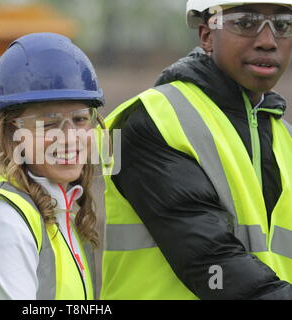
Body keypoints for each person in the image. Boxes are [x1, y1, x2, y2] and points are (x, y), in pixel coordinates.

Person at [101, 0, 292, 300]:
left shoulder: (285, 139)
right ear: (206, 35)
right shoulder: (152, 121)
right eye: (245, 23)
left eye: (282, 25)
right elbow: (212, 262)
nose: (268, 41)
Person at [0, 32, 105, 300]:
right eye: (48, 123)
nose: (69, 137)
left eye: (81, 120)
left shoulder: (65, 209)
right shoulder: (5, 221)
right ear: (13, 133)